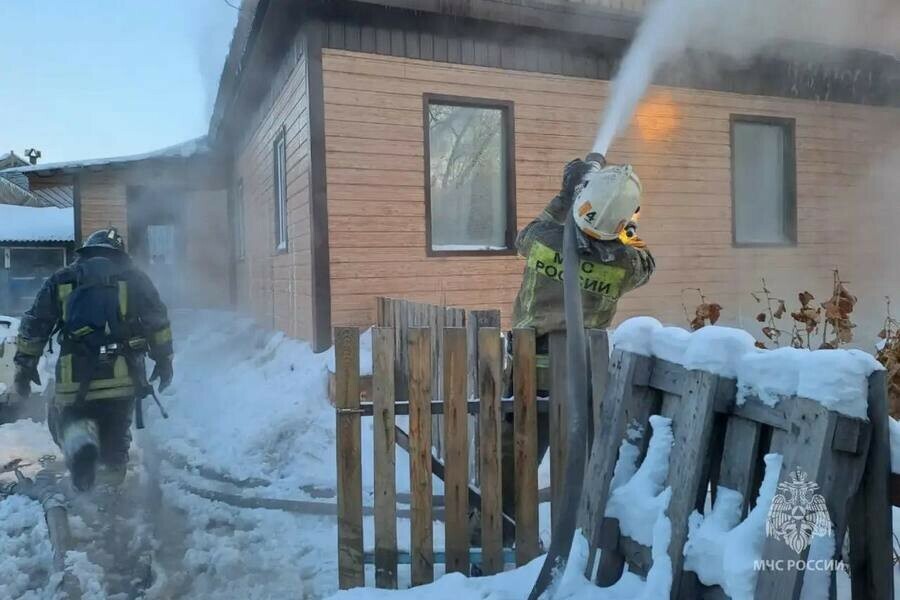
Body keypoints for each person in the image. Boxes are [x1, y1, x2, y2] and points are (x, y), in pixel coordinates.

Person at [503, 156, 655, 516]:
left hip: (528, 374)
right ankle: (582, 530)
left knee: (511, 466)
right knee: (584, 467)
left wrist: (566, 195)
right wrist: (625, 228)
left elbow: (523, 237)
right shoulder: (625, 263)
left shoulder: (542, 240)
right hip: (583, 380)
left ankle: (500, 529)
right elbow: (646, 261)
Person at [13, 228, 173, 491]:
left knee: (69, 419)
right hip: (123, 376)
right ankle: (110, 485)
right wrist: (164, 360)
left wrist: (24, 368)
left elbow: (35, 324)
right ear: (120, 254)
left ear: (87, 250)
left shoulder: (62, 279)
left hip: (75, 377)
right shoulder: (135, 279)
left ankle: (81, 447)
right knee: (116, 430)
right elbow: (158, 322)